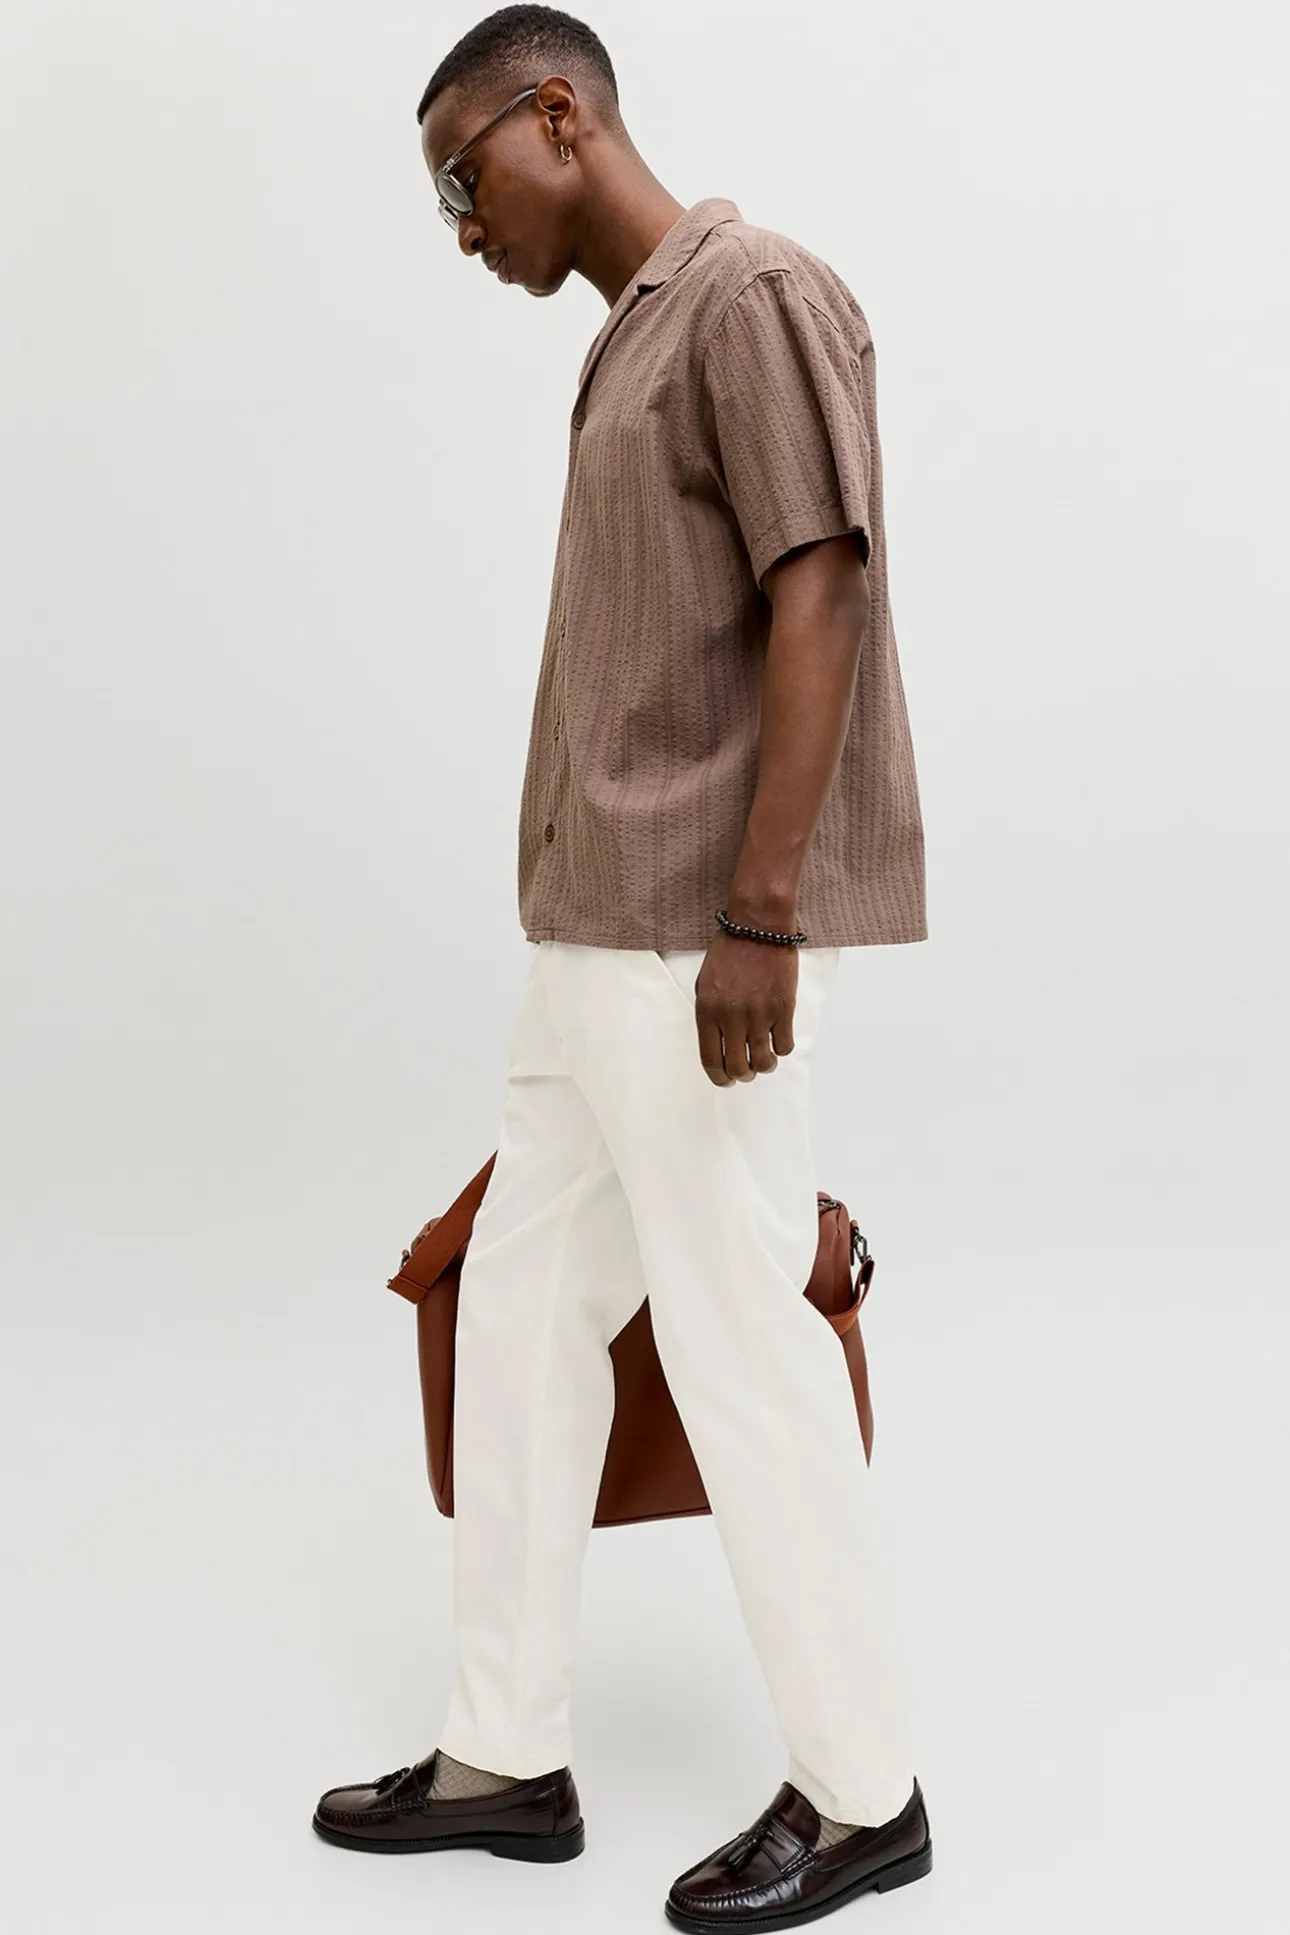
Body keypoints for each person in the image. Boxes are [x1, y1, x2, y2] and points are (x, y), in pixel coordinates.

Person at [311, 6, 934, 1925]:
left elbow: (819, 585)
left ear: (556, 112)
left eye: (464, 178)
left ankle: (863, 1790)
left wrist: (762, 914)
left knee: (741, 1337)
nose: (462, 227)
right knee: (515, 1312)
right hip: (592, 936)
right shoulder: (633, 335)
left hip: (690, 943)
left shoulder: (749, 294)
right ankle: (506, 1749)